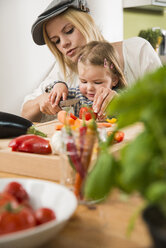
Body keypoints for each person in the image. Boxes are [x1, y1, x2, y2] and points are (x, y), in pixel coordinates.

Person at [21, 0, 162, 122]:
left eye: (69, 30)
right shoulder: (64, 70)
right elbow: (25, 113)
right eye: (56, 41)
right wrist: (41, 101)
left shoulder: (138, 50)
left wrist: (123, 103)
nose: (63, 44)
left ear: (87, 22)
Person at [48, 40, 127, 119]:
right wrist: (59, 85)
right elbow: (52, 93)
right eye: (84, 81)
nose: (89, 88)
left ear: (114, 80)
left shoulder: (119, 96)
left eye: (97, 82)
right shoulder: (77, 94)